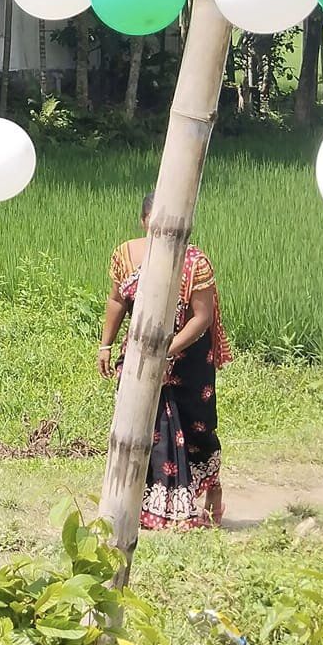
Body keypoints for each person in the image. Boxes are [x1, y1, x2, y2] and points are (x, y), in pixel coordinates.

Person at [99, 192, 232, 530]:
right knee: (142, 425)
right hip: (140, 355)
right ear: (143, 221)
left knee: (196, 427)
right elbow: (117, 301)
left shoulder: (195, 262)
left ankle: (212, 490)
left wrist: (167, 351)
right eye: (154, 223)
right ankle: (149, 504)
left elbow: (202, 317)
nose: (161, 231)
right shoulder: (127, 255)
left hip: (188, 359)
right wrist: (105, 345)